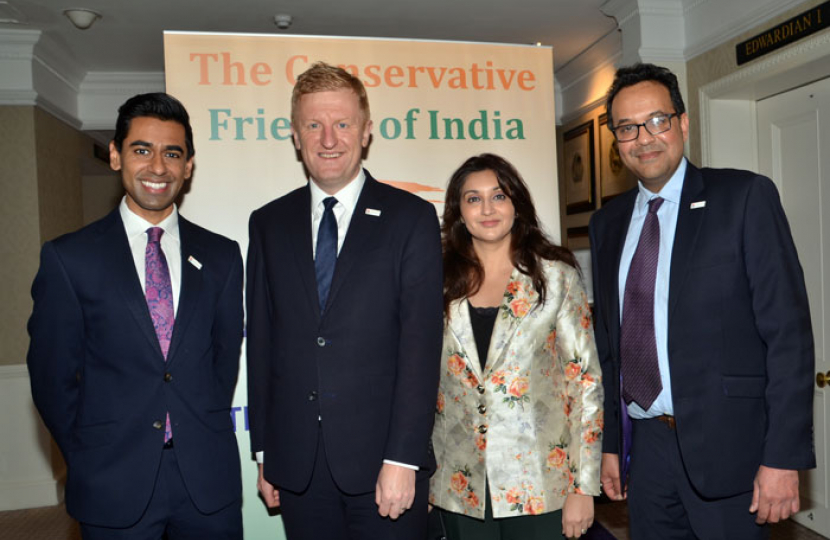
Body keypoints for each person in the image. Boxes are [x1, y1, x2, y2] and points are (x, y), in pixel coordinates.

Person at [589, 62, 815, 539]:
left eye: (657, 120)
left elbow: (788, 338)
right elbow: (608, 348)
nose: (643, 138)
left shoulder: (744, 198)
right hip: (645, 450)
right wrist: (611, 444)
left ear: (683, 123)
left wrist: (782, 457)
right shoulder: (607, 224)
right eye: (627, 128)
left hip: (731, 446)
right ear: (616, 140)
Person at [26, 93, 244, 539]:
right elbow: (52, 377)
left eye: (172, 153)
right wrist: (91, 453)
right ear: (114, 155)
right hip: (111, 478)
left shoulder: (222, 256)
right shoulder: (70, 259)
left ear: (188, 166)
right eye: (142, 149)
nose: (157, 167)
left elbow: (223, 361)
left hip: (206, 479)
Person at [246, 61, 443, 540]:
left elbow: (420, 348)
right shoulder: (268, 223)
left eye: (342, 124)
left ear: (366, 131)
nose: (328, 139)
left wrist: (402, 458)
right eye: (314, 125)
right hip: (297, 466)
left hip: (384, 465)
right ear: (296, 135)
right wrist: (266, 453)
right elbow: (263, 344)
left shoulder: (411, 218)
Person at [430, 153, 603, 540]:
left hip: (541, 484)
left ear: (517, 205)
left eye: (499, 196)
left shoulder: (556, 278)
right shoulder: (435, 281)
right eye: (473, 199)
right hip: (458, 483)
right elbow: (418, 380)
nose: (487, 208)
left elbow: (585, 385)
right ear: (459, 212)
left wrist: (583, 486)